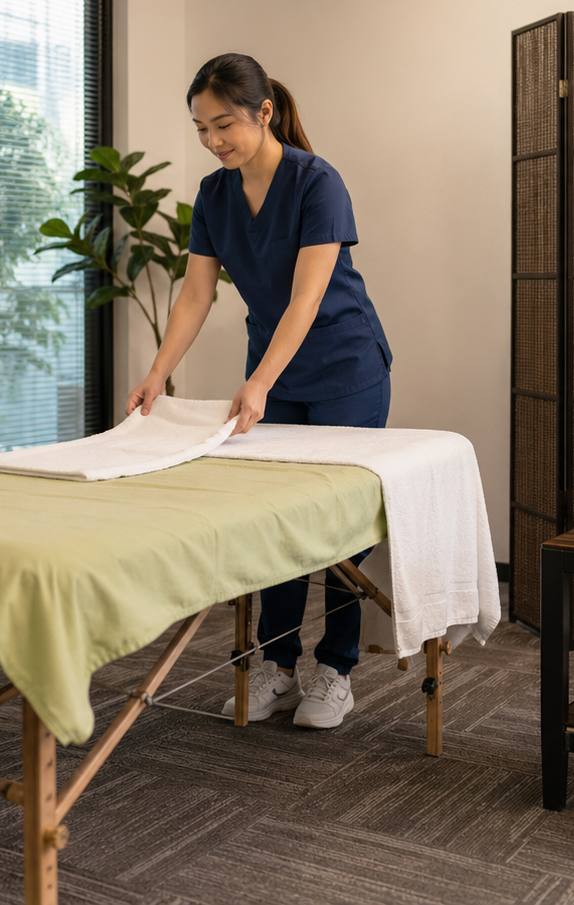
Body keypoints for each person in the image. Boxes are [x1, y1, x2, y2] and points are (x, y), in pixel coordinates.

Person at [127, 53, 393, 729]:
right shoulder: (215, 195)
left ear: (263, 111)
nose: (215, 141)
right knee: (272, 520)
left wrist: (258, 383)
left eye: (224, 125)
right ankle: (277, 664)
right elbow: (194, 294)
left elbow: (305, 301)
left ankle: (334, 670)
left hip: (343, 368)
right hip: (272, 369)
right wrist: (157, 372)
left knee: (337, 525)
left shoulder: (317, 182)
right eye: (201, 130)